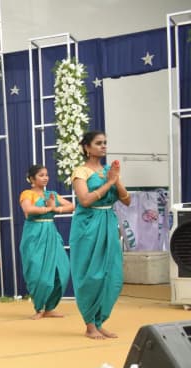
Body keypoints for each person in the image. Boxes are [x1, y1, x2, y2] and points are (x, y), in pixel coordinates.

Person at [70, 130, 131, 340]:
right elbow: (85, 200)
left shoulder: (108, 170)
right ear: (87, 148)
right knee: (91, 275)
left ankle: (99, 321)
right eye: (98, 143)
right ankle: (90, 325)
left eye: (105, 143)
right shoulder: (81, 172)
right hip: (88, 226)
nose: (103, 146)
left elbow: (127, 201)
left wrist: (116, 179)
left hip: (107, 223)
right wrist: (109, 182)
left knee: (112, 275)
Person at [19, 164, 74, 319]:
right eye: (41, 175)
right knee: (38, 273)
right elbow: (28, 210)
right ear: (32, 179)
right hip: (34, 235)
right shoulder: (27, 194)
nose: (45, 178)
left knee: (61, 271)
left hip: (51, 234)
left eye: (46, 175)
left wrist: (56, 209)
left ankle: (50, 308)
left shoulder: (52, 194)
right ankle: (39, 308)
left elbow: (71, 206)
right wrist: (49, 209)